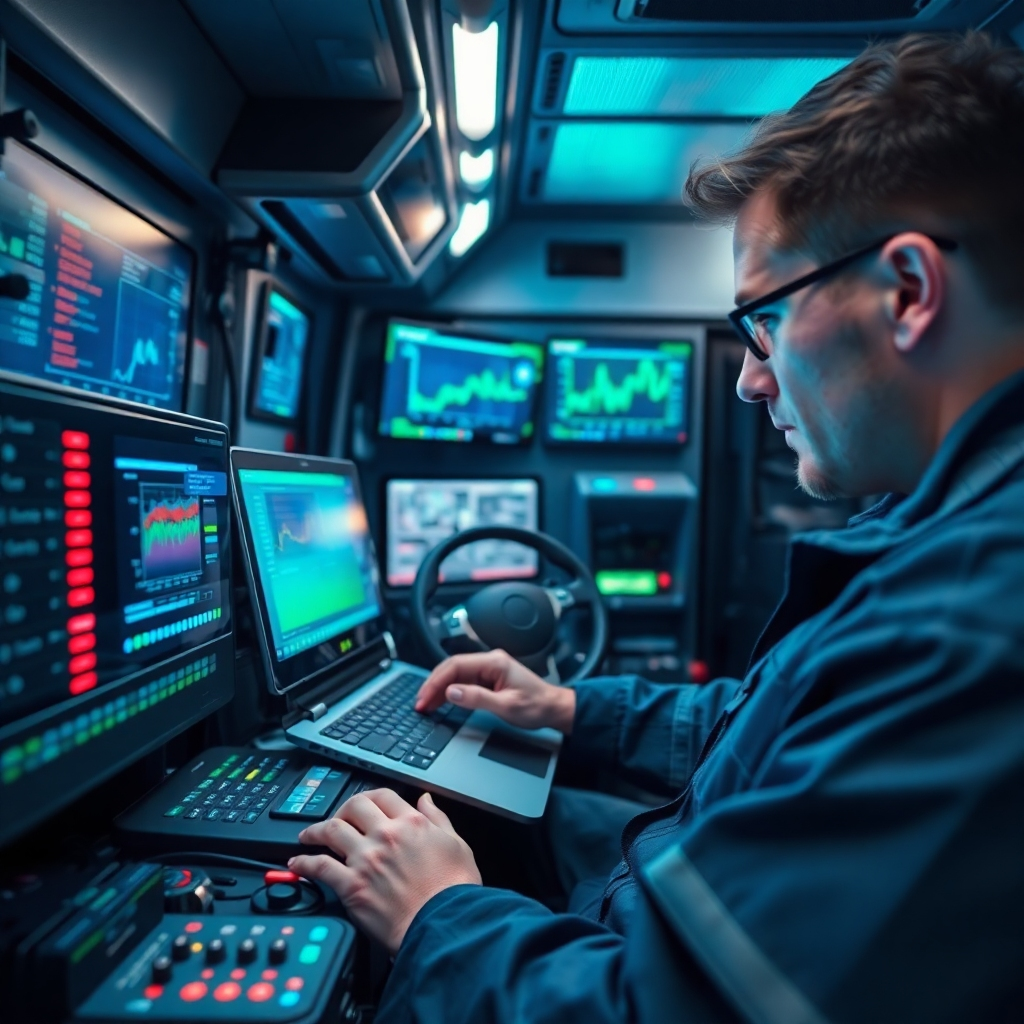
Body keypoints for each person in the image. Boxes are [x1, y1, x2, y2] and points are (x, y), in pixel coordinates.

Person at [290, 32, 1024, 1023]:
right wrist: (568, 711)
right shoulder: (938, 535)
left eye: (760, 323)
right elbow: (781, 723)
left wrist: (437, 913)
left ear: (907, 291)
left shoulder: (969, 615)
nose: (748, 377)